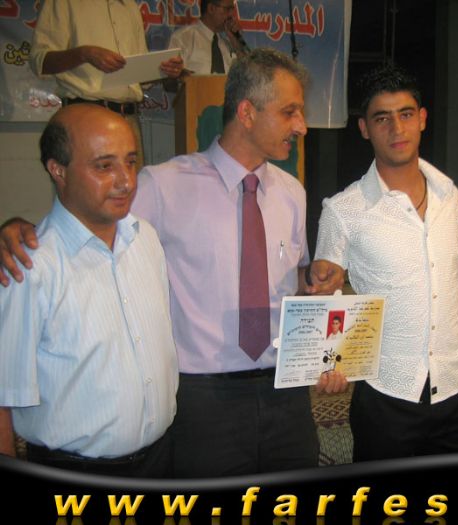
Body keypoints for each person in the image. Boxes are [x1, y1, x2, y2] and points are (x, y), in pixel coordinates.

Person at [0, 48, 345, 477]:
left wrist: (311, 277)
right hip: (204, 400)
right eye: (290, 111)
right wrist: (16, 229)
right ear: (247, 113)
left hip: (286, 392)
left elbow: (290, 278)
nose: (302, 125)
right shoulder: (161, 186)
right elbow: (86, 221)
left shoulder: (292, 192)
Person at [0, 104, 178, 477]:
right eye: (104, 166)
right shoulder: (30, 266)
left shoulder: (145, 238)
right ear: (58, 170)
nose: (126, 181)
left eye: (130, 162)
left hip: (160, 458)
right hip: (73, 471)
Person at [311, 64, 458, 462]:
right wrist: (331, 362)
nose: (396, 128)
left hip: (455, 387)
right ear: (364, 128)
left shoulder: (449, 195)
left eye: (405, 114)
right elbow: (324, 298)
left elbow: (457, 277)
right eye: (382, 118)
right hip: (386, 396)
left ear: (422, 119)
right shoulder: (343, 210)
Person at [29, 0, 185, 167]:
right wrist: (84, 54)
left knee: (130, 182)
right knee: (89, 183)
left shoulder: (130, 6)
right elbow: (40, 61)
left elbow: (138, 77)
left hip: (128, 119)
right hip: (85, 117)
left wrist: (163, 71)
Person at [169, 0, 249, 76]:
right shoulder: (183, 38)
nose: (231, 15)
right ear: (211, 8)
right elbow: (170, 78)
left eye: (232, 9)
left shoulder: (229, 43)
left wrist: (237, 42)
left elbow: (249, 74)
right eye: (227, 9)